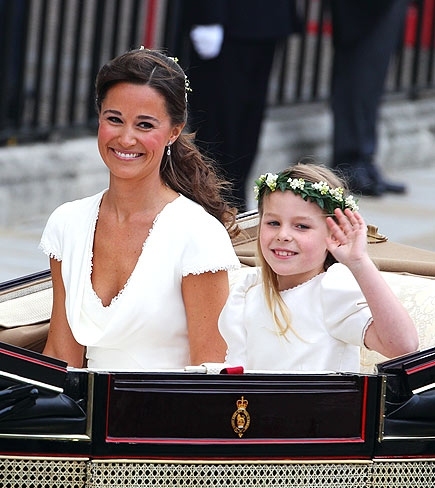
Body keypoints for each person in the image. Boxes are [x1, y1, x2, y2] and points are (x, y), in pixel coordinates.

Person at [39, 48, 240, 371]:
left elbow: (211, 371)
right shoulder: (67, 223)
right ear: (99, 118)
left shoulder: (199, 234)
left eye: (145, 125)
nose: (126, 138)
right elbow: (62, 354)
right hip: (84, 415)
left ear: (174, 131)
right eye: (114, 119)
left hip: (171, 414)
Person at [219, 163, 418, 371]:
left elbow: (403, 347)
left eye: (302, 226)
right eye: (273, 223)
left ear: (333, 233)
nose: (283, 235)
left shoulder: (331, 290)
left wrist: (360, 263)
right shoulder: (248, 291)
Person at [181, 0, 300, 212]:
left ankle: (234, 198)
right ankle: (211, 199)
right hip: (228, 19)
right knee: (218, 118)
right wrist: (208, 15)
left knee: (249, 118)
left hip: (264, 18)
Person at [330, 0, 410, 196]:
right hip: (360, 10)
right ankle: (349, 163)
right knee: (356, 78)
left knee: (371, 83)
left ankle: (365, 159)